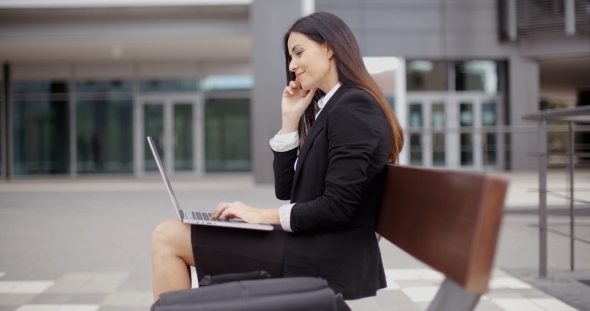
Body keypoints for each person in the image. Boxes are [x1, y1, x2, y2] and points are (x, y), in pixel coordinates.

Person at [150, 11, 404, 302]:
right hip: (310, 244)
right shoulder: (335, 106)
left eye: (298, 53)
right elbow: (287, 190)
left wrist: (258, 215)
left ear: (329, 47)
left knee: (168, 236)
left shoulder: (353, 106)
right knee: (170, 232)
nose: (293, 65)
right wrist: (289, 121)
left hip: (322, 254)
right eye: (290, 58)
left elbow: (337, 207)